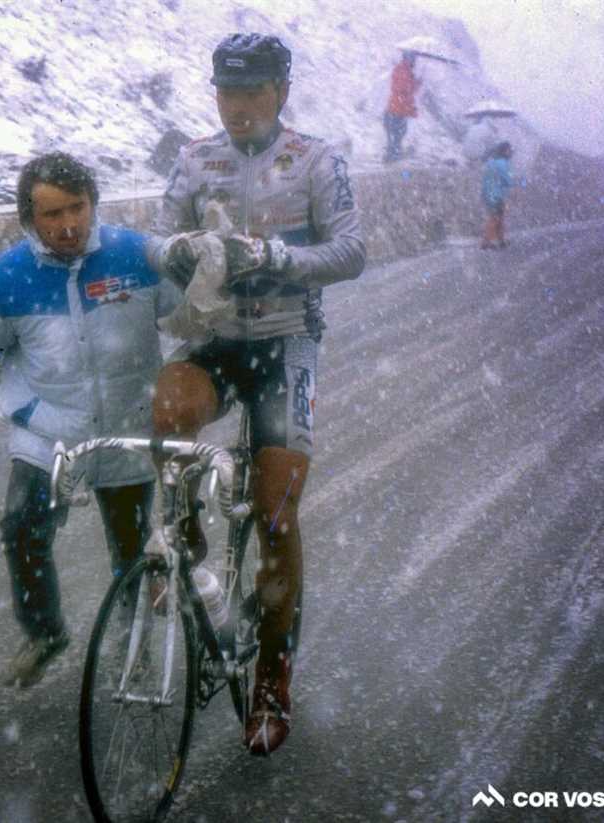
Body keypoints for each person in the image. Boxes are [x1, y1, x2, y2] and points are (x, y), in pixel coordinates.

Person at [152, 33, 366, 755]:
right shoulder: (195, 158)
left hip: (284, 341)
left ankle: (274, 670)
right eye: (226, 92)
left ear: (281, 92)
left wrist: (276, 256)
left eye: (252, 93)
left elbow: (351, 251)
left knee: (276, 513)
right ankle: (183, 541)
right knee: (168, 413)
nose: (238, 107)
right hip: (214, 336)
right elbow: (159, 241)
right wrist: (181, 251)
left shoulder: (316, 159)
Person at [0, 151, 180, 688]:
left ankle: (132, 644)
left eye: (76, 208)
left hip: (129, 424)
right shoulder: (9, 277)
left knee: (129, 551)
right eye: (51, 214)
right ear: (29, 218)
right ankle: (45, 631)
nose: (68, 225)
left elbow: (192, 316)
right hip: (48, 431)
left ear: (94, 204)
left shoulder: (137, 256)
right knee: (22, 525)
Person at [383, 51, 421, 162]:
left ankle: (393, 154)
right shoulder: (403, 70)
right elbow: (403, 90)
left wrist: (415, 83)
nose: (414, 61)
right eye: (413, 58)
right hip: (397, 110)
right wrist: (414, 84)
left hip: (397, 109)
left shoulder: (405, 71)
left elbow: (407, 90)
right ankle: (392, 155)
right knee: (396, 134)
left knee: (397, 134)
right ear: (408, 58)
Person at [480, 141, 514, 249]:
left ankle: (501, 240)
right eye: (509, 150)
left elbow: (486, 177)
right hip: (496, 194)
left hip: (488, 193)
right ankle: (486, 242)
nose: (511, 152)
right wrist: (520, 182)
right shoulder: (503, 163)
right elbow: (508, 180)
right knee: (495, 218)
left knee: (498, 217)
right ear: (505, 151)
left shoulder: (491, 162)